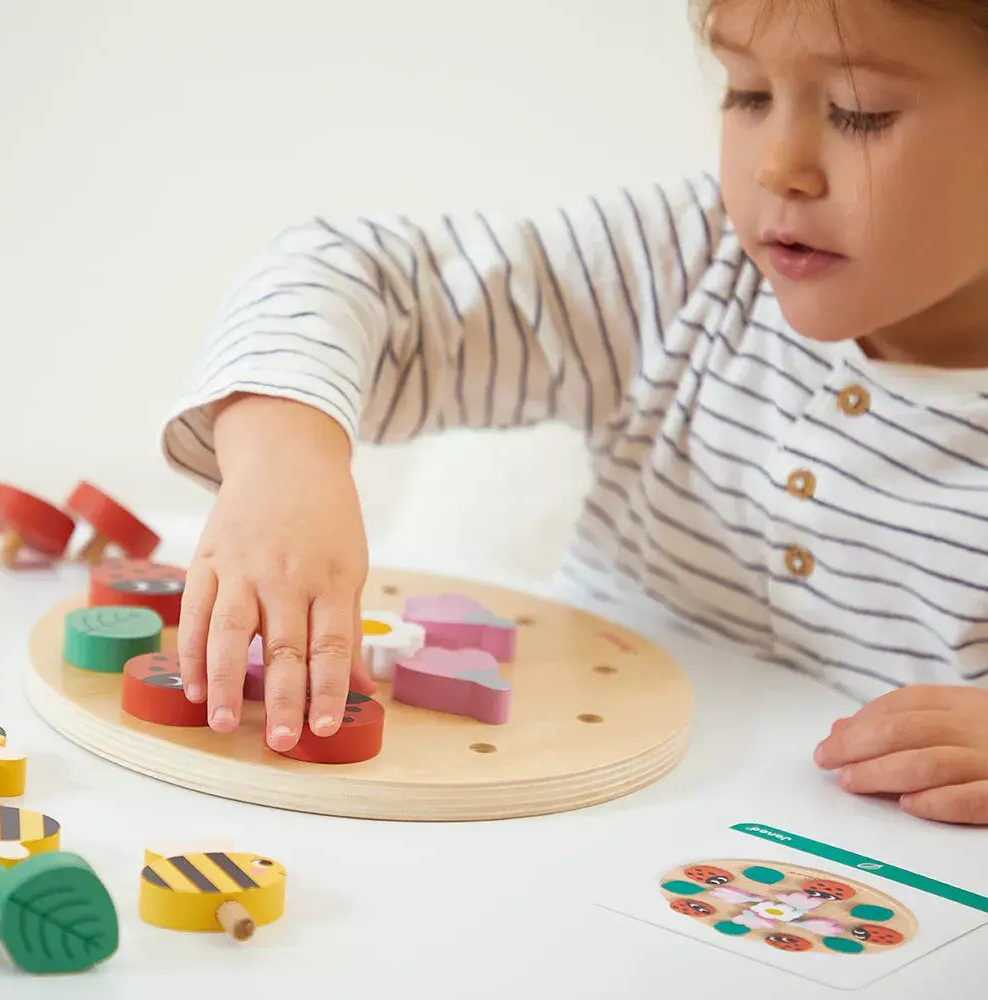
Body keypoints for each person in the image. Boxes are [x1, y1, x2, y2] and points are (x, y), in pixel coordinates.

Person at [160, 0, 988, 824]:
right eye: (746, 93)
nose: (779, 165)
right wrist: (284, 461)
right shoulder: (686, 262)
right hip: (557, 826)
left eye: (859, 111)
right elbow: (346, 272)